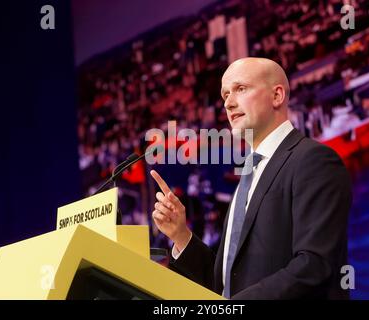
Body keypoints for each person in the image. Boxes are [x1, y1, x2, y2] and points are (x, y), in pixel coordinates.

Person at [150, 57, 352, 299]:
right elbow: (225, 283)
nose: (228, 103)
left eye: (240, 89)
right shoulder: (248, 174)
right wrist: (181, 235)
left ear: (277, 96)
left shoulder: (314, 161)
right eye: (225, 95)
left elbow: (315, 265)